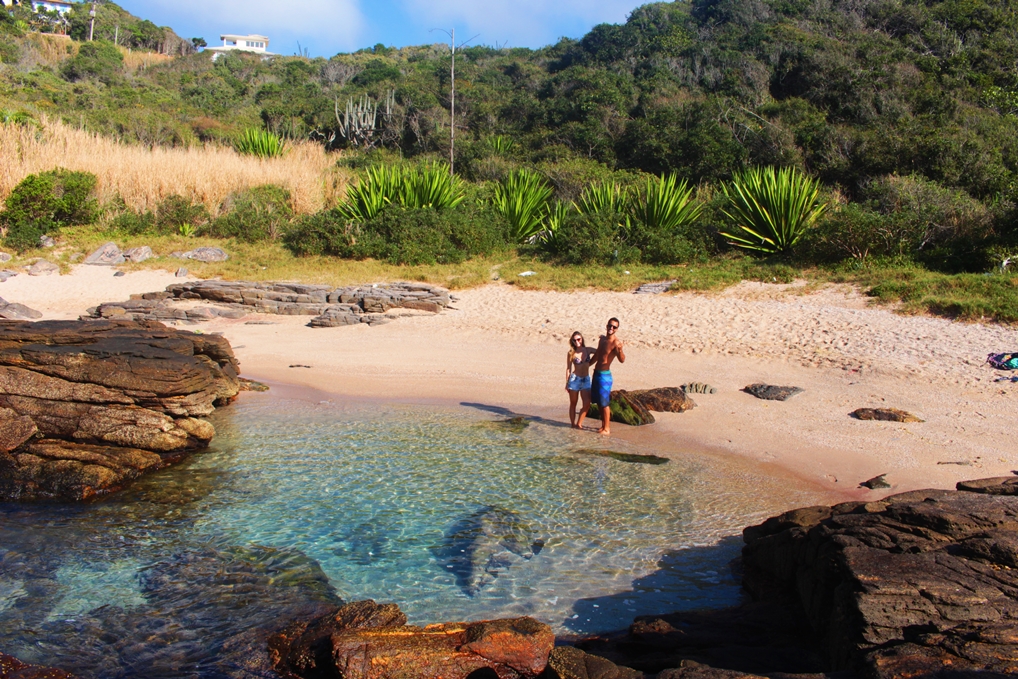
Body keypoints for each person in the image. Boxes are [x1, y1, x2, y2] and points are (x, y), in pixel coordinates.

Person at [590, 317, 626, 436]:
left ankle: (607, 428)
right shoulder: (602, 340)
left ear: (616, 329)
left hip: (605, 376)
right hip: (596, 373)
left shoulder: (616, 343)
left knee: (605, 403)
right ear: (606, 326)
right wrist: (588, 364)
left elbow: (622, 360)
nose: (611, 328)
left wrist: (620, 351)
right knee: (599, 402)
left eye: (614, 327)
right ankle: (603, 426)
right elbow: (597, 355)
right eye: (610, 325)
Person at [565, 332, 594, 429]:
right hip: (575, 380)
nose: (577, 341)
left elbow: (600, 352)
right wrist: (567, 383)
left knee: (587, 403)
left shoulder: (588, 350)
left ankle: (579, 423)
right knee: (573, 403)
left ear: (582, 339)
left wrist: (603, 340)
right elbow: (568, 369)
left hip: (586, 379)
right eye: (575, 340)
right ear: (572, 341)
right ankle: (573, 425)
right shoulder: (571, 353)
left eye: (579, 339)